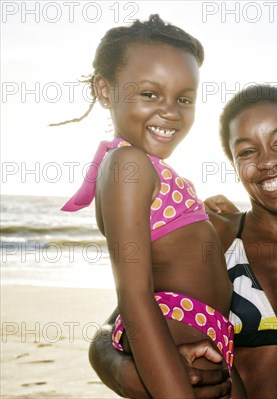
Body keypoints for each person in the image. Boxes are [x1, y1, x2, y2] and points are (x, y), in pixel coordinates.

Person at [89, 85, 277, 398]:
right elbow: (116, 327)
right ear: (234, 164)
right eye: (247, 151)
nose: (267, 161)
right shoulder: (215, 235)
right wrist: (131, 376)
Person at [56, 15, 244, 398]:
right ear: (105, 91)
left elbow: (171, 255)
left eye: (184, 99)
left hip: (213, 336)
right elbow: (134, 295)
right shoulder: (128, 164)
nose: (171, 111)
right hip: (174, 333)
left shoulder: (147, 169)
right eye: (150, 94)